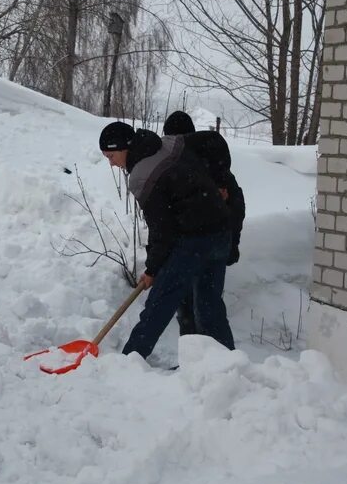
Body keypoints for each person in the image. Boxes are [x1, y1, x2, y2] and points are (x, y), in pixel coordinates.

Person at [99, 121, 233, 359]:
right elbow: (215, 142)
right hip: (220, 231)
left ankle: (128, 361)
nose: (110, 163)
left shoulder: (141, 176)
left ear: (124, 148)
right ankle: (224, 367)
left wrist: (153, 269)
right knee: (209, 306)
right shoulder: (169, 143)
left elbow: (162, 229)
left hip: (195, 240)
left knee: (159, 303)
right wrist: (219, 181)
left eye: (111, 155)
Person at [162, 111, 244, 348]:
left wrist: (231, 243)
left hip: (202, 248)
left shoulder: (209, 167)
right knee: (192, 307)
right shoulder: (187, 167)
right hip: (189, 249)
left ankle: (223, 362)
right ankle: (194, 363)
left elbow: (234, 208)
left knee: (205, 307)